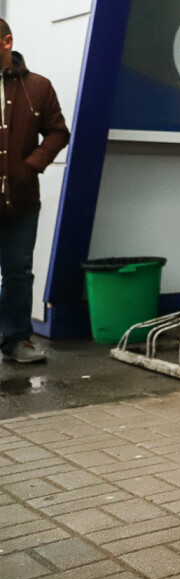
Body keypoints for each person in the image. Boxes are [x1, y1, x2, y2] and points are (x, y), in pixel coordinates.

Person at [0, 20, 69, 364]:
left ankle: (15, 339)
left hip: (22, 199)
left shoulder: (38, 87)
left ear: (7, 41)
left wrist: (31, 166)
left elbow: (58, 132)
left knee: (18, 272)